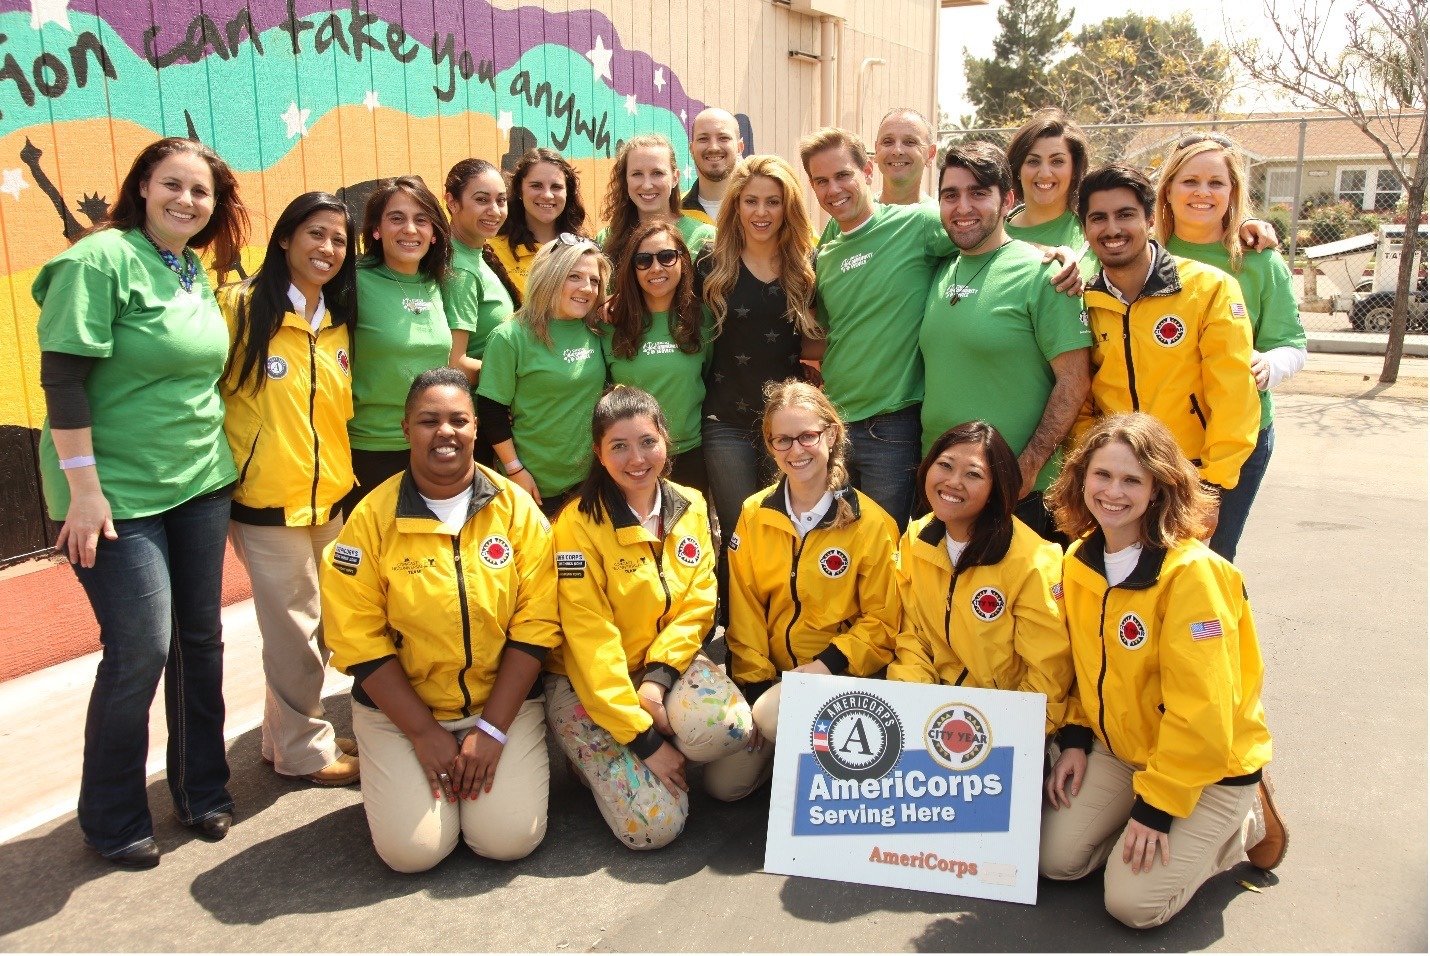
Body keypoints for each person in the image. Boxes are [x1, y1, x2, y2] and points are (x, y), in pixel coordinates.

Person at [35, 136, 249, 867]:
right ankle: (113, 814)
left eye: (201, 192)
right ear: (142, 187)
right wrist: (82, 492)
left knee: (200, 641)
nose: (186, 200)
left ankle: (202, 789)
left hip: (197, 481)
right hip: (114, 495)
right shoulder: (100, 260)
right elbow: (62, 379)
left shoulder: (188, 267)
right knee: (140, 649)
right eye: (173, 185)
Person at [1040, 412, 1288, 929]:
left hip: (1206, 769)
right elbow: (1086, 671)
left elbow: (1203, 714)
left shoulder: (1192, 576)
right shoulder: (1078, 561)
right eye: (1102, 475)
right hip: (1124, 750)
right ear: (1080, 478)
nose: (1113, 491)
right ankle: (1147, 828)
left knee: (1132, 906)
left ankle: (1242, 818)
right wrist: (1079, 736)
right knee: (1054, 862)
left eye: (1133, 480)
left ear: (1159, 490)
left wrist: (1158, 809)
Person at [320, 368, 559, 873]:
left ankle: (469, 777)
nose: (445, 432)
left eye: (458, 420)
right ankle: (414, 772)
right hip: (402, 715)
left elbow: (537, 625)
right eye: (429, 421)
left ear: (476, 428)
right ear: (406, 429)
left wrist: (491, 731)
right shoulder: (368, 521)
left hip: (500, 707)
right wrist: (425, 734)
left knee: (508, 839)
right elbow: (357, 640)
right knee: (414, 853)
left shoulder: (518, 511)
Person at [803, 126, 1077, 530]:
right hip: (894, 452)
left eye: (843, 175)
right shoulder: (927, 268)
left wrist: (1050, 251)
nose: (961, 207)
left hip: (924, 443)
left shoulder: (919, 227)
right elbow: (823, 337)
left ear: (867, 171)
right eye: (821, 180)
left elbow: (1074, 378)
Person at [545, 386, 750, 848]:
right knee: (654, 828)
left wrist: (658, 678)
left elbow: (700, 600)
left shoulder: (691, 503)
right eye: (618, 446)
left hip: (664, 668)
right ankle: (596, 760)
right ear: (598, 453)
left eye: (647, 442)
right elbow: (588, 642)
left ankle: (657, 740)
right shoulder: (575, 526)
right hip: (588, 684)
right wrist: (644, 742)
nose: (636, 458)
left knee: (730, 725)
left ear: (665, 441)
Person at [218, 191, 361, 788]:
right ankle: (307, 752)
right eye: (315, 234)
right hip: (265, 502)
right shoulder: (242, 308)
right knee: (295, 633)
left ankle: (286, 736)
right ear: (284, 238)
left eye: (338, 239)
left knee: (323, 627)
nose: (326, 248)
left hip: (328, 498)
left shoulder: (337, 320)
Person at [705, 380, 900, 801]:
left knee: (775, 719)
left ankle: (824, 756)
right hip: (773, 682)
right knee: (725, 787)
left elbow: (884, 622)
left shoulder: (872, 524)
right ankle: (790, 744)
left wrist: (827, 664)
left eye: (808, 436)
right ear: (771, 446)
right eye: (783, 440)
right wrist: (754, 686)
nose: (797, 450)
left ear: (831, 434)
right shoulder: (755, 514)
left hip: (839, 677)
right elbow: (745, 609)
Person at [1076, 162, 1260, 538]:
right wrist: (1090, 469)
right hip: (1115, 481)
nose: (1112, 229)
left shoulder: (1209, 289)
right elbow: (1082, 398)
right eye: (1099, 218)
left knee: (1190, 588)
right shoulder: (1081, 298)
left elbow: (1234, 394)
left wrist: (1212, 486)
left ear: (1148, 220)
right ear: (1085, 228)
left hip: (1186, 474)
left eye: (1125, 215)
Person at [921, 141, 1091, 541]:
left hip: (1017, 494)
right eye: (951, 195)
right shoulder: (940, 272)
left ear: (1007, 200)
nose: (962, 207)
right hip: (942, 490)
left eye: (979, 193)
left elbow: (1074, 380)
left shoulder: (1045, 275)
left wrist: (1028, 466)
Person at [1155, 134, 1307, 562]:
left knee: (1212, 558)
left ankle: (1214, 632)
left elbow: (1291, 343)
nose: (1203, 193)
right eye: (1190, 182)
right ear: (1168, 190)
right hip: (1163, 437)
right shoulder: (1145, 254)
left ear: (1233, 192)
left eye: (1216, 183)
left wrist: (1270, 364)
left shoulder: (1258, 259)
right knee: (1152, 555)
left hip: (1239, 439)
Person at [887, 422, 1071, 737]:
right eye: (944, 465)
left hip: (1003, 720)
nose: (953, 482)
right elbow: (913, 636)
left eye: (973, 474)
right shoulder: (916, 539)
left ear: (996, 489)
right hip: (933, 707)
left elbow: (1047, 671)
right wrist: (913, 702)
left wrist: (1010, 733)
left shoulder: (1034, 561)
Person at [698, 154, 820, 547]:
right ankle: (735, 611)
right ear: (736, 205)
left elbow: (823, 336)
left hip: (789, 426)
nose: (761, 212)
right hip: (725, 420)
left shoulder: (807, 265)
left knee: (785, 532)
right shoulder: (710, 263)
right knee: (737, 537)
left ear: (788, 207)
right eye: (751, 201)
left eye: (773, 201)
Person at [1004, 108, 1280, 272]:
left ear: (1076, 170)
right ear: (1017, 167)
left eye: (1057, 161)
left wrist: (1242, 221)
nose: (1044, 173)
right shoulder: (991, 231)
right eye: (1032, 161)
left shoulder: (1097, 229)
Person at [477, 234, 610, 518]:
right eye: (574, 277)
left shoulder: (597, 330)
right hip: (533, 486)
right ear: (550, 276)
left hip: (589, 483)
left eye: (594, 281)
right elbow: (492, 411)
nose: (586, 288)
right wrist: (515, 470)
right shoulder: (510, 336)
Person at [344, 176, 453, 513]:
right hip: (370, 449)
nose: (410, 229)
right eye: (397, 218)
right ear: (376, 229)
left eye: (421, 220)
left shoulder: (439, 284)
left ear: (434, 233)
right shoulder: (352, 281)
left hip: (434, 447)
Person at [603, 222, 710, 490]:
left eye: (666, 256)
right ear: (632, 268)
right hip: (630, 458)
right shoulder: (610, 321)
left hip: (690, 453)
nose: (655, 268)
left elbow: (710, 375)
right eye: (643, 260)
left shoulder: (704, 318)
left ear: (682, 260)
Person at [443, 158, 524, 465]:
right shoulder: (461, 270)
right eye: (481, 200)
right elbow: (456, 363)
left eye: (501, 201)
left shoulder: (476, 255)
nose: (494, 210)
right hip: (475, 424)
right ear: (452, 202)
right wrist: (521, 378)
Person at [598, 134, 715, 259]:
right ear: (625, 179)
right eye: (637, 174)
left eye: (657, 173)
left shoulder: (703, 236)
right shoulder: (605, 239)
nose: (647, 185)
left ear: (675, 177)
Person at [490, 147, 589, 295]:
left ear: (567, 193)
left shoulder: (584, 250)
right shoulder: (493, 251)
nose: (547, 195)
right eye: (536, 186)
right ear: (519, 190)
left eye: (556, 187)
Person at [682, 107, 745, 224]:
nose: (713, 147)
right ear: (691, 149)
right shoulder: (675, 210)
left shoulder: (759, 208)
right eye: (703, 139)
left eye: (723, 138)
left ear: (740, 147)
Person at [874, 108, 938, 207]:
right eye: (888, 141)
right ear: (876, 150)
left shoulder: (941, 219)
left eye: (909, 142)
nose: (897, 151)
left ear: (930, 154)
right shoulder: (856, 216)